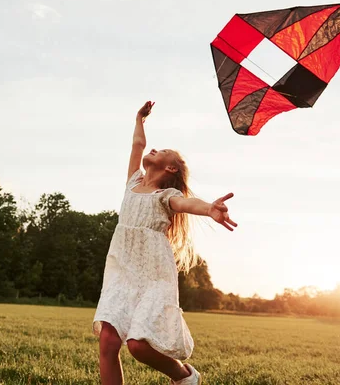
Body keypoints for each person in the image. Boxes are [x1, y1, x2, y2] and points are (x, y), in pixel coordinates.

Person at [93, 101, 237, 384]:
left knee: (138, 345)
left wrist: (209, 208)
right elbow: (137, 145)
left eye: (163, 151)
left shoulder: (165, 196)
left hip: (153, 275)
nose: (153, 149)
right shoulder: (133, 181)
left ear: (170, 167)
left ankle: (184, 376)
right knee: (108, 342)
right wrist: (139, 120)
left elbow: (186, 203)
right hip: (121, 269)